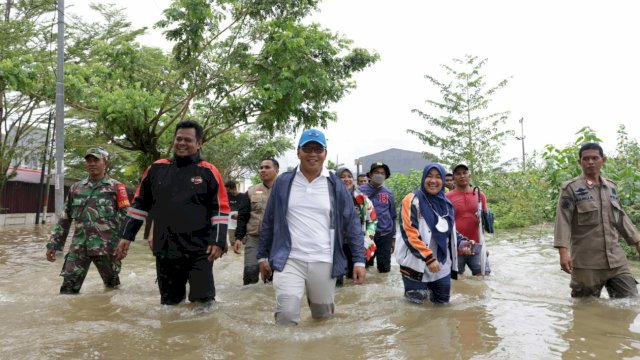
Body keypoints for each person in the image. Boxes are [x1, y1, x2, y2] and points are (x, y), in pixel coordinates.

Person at [257, 129, 366, 325]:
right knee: (286, 316)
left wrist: (359, 261)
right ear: (298, 152)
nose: (313, 154)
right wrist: (262, 256)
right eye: (307, 148)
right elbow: (269, 220)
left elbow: (352, 223)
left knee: (322, 318)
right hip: (289, 258)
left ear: (325, 153)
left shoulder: (335, 184)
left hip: (324, 259)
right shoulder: (284, 182)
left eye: (318, 149)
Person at [115, 120, 230, 305]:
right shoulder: (156, 169)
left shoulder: (209, 172)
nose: (182, 143)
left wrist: (218, 241)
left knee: (203, 304)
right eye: (178, 139)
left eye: (188, 140)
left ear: (199, 143)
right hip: (166, 247)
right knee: (170, 305)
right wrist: (126, 236)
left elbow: (221, 208)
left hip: (200, 249)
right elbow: (139, 205)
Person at [554, 142, 640, 298]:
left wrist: (637, 242)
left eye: (595, 158)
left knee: (631, 302)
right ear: (580, 162)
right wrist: (563, 252)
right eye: (586, 159)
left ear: (603, 160)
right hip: (586, 264)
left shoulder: (611, 187)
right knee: (585, 309)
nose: (590, 162)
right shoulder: (571, 189)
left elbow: (621, 217)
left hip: (616, 261)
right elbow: (563, 220)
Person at [45, 148, 130, 294]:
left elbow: (126, 218)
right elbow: (65, 218)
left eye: (96, 160)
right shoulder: (76, 188)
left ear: (105, 163)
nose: (92, 164)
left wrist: (124, 244)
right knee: (68, 289)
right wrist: (54, 244)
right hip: (79, 247)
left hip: (107, 248)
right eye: (89, 161)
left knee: (112, 288)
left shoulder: (116, 187)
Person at [395, 163, 458, 304]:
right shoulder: (412, 200)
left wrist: (463, 242)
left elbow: (450, 232)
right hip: (415, 266)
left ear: (443, 180)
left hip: (442, 266)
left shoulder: (447, 204)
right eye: (429, 176)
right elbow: (409, 232)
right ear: (423, 178)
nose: (433, 181)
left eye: (437, 177)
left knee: (442, 309)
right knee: (415, 312)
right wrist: (429, 258)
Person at [233, 158, 279, 285]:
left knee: (273, 277)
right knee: (250, 273)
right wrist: (238, 237)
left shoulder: (284, 190)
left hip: (277, 240)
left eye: (267, 167)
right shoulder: (251, 191)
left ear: (276, 170)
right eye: (261, 167)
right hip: (254, 238)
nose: (263, 170)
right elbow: (243, 216)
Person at [335, 167, 377, 286]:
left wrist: (366, 242)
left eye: (349, 177)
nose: (346, 179)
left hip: (357, 245)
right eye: (342, 177)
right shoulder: (329, 199)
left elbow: (372, 222)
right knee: (336, 281)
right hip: (336, 246)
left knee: (354, 282)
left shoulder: (362, 199)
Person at [445, 163, 491, 276]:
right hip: (455, 249)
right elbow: (445, 225)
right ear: (453, 178)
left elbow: (487, 224)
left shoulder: (480, 196)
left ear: (469, 176)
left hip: (477, 247)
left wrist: (484, 218)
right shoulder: (447, 198)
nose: (462, 176)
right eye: (458, 174)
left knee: (484, 279)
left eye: (465, 173)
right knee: (456, 283)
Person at [360, 161, 396, 273]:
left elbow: (393, 215)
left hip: (385, 235)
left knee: (384, 269)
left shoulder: (388, 193)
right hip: (366, 235)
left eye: (382, 173)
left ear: (385, 176)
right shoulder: (360, 191)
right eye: (376, 172)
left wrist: (393, 238)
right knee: (364, 266)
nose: (379, 175)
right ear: (370, 175)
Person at [224, 180, 249, 251]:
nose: (227, 192)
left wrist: (239, 214)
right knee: (232, 243)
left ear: (233, 188)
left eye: (228, 190)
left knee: (243, 243)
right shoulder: (227, 196)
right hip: (230, 225)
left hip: (240, 224)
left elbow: (247, 210)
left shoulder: (243, 196)